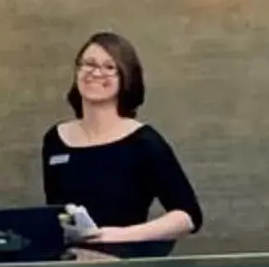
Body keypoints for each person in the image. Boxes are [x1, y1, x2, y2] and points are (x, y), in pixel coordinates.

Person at [42, 31, 201, 252]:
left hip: (122, 266)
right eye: (88, 64)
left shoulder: (144, 141)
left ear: (126, 77)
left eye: (109, 67)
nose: (96, 73)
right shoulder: (55, 139)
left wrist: (119, 235)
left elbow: (188, 216)